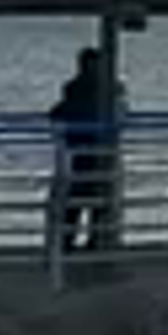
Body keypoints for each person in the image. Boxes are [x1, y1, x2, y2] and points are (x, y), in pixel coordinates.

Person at [47, 41, 118, 248]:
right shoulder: (108, 89)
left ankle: (71, 241)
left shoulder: (74, 89)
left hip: (80, 150)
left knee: (78, 199)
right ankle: (91, 240)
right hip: (94, 149)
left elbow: (56, 114)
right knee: (92, 197)